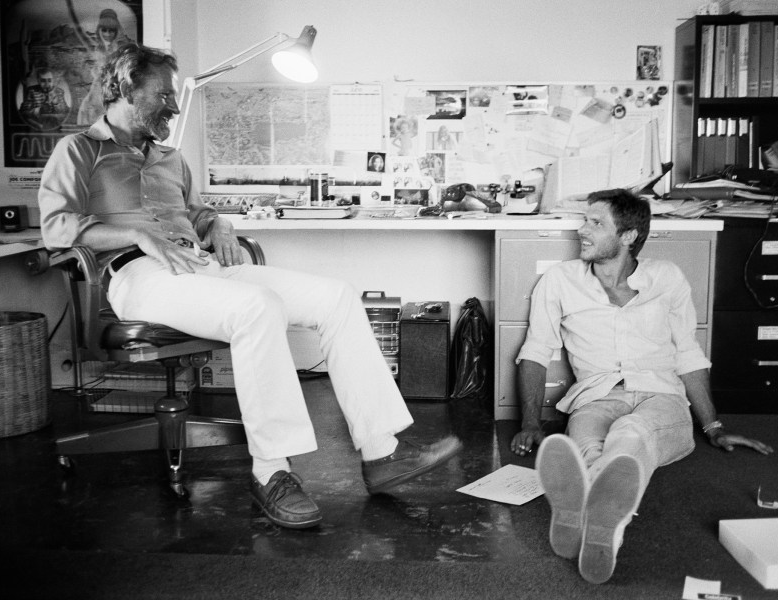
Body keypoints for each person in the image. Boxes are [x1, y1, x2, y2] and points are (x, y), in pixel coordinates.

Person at [38, 43, 461, 530]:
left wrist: (218, 223)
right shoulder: (79, 150)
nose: (173, 107)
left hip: (199, 266)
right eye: (163, 95)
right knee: (257, 306)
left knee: (337, 297)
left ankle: (381, 453)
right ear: (127, 89)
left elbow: (196, 214)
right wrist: (137, 235)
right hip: (137, 275)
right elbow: (57, 227)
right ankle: (271, 472)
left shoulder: (171, 159)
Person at [509, 188, 773, 584]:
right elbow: (536, 351)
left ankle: (589, 517)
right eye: (585, 221)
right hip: (596, 397)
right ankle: (605, 529)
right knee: (592, 446)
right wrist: (530, 422)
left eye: (596, 223)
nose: (582, 230)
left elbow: (688, 354)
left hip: (661, 398)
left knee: (631, 432)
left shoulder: (667, 277)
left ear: (629, 236)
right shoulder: (560, 280)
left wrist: (713, 426)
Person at [19, 66, 70, 130]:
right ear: (38, 80)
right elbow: (24, 112)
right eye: (43, 81)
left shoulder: (59, 91)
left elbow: (65, 111)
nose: (47, 84)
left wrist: (56, 103)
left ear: (53, 80)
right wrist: (39, 110)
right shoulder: (31, 91)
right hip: (38, 125)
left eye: (49, 80)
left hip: (55, 125)